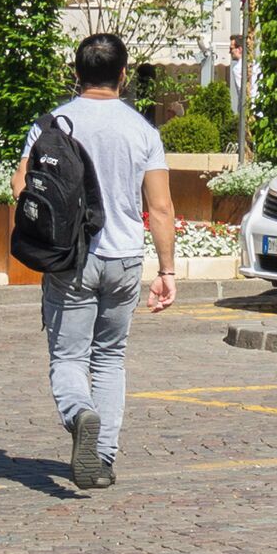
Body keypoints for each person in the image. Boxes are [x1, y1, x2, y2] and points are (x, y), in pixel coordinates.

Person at [40, 31, 176, 494]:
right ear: (123, 75)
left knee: (68, 355)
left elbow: (23, 189)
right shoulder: (143, 130)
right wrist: (168, 270)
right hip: (124, 259)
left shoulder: (52, 123)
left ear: (75, 73)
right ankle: (103, 459)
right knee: (111, 359)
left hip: (71, 260)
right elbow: (159, 207)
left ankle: (80, 415)